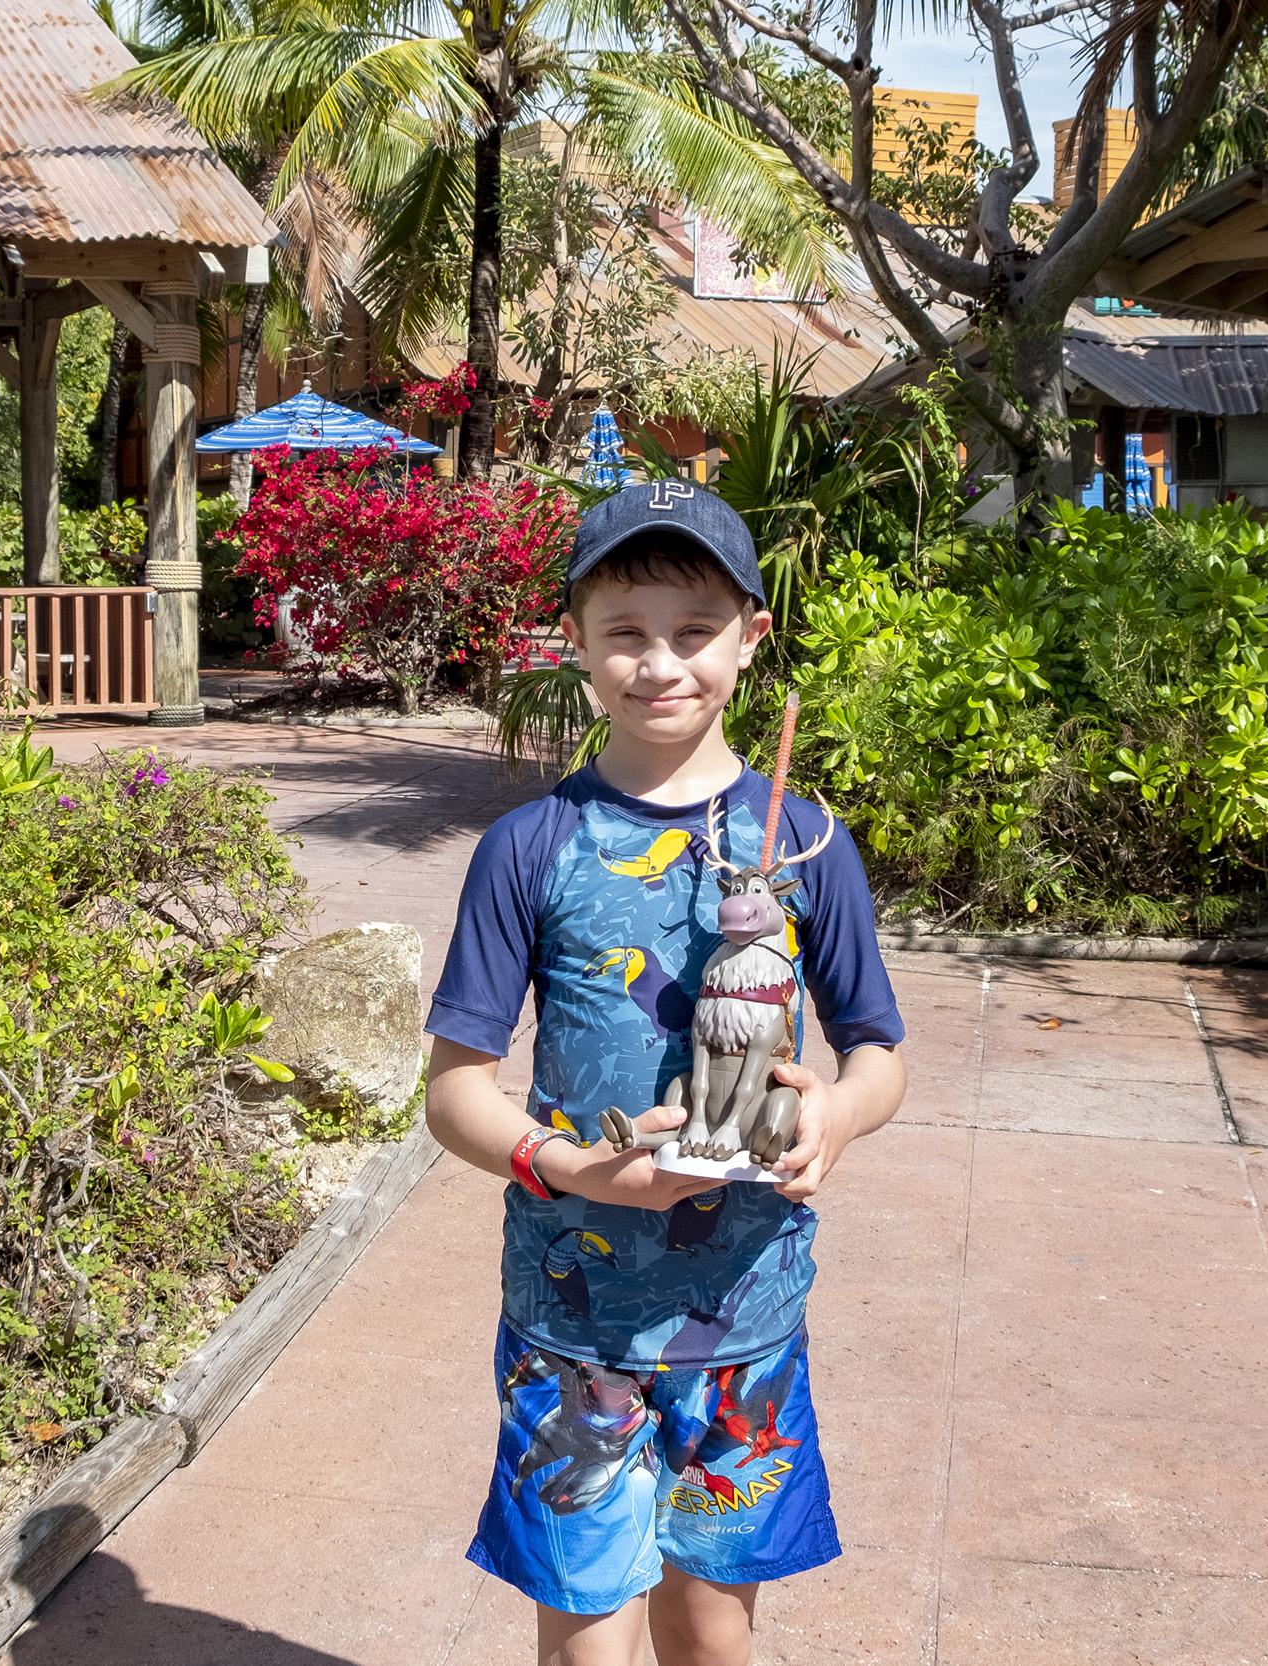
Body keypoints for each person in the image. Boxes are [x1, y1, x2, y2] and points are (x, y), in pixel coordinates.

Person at [424, 479, 909, 1666]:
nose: (659, 664)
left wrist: (838, 1114)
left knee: (711, 1631)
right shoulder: (529, 847)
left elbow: (879, 1050)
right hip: (571, 1325)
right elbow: (454, 1091)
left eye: (692, 631)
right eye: (625, 633)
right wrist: (576, 1169)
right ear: (577, 646)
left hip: (746, 1318)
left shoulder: (806, 842)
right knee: (586, 1635)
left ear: (749, 636)